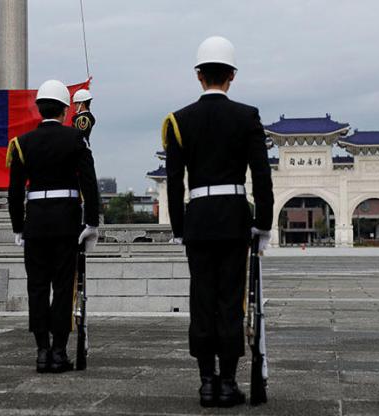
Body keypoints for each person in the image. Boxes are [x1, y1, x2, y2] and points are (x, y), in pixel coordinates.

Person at [162, 36, 274, 407]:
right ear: (232, 76)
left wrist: (179, 227)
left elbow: (174, 180)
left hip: (198, 220)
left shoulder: (179, 121)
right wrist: (264, 223)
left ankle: (206, 382)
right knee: (230, 300)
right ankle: (228, 382)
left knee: (202, 298)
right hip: (233, 219)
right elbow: (261, 174)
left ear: (199, 76)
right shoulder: (247, 116)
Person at [7, 80, 100, 373]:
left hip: (35, 222)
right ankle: (59, 351)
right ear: (64, 109)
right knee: (62, 288)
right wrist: (92, 222)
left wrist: (18, 227)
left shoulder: (21, 143)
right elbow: (89, 183)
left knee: (36, 287)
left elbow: (14, 192)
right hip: (65, 222)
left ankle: (42, 351)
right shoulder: (76, 139)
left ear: (39, 109)